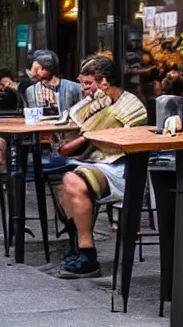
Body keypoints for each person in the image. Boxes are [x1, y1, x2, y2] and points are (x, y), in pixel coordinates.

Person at [57, 56, 148, 279]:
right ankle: (78, 243)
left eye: (88, 83)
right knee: (58, 180)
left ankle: (87, 253)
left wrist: (87, 135)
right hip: (94, 162)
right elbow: (68, 140)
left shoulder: (131, 107)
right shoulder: (88, 106)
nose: (83, 89)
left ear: (104, 82)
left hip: (121, 168)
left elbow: (129, 143)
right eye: (82, 83)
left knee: (72, 181)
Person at [0, 68, 25, 210]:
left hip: (21, 131)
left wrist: (16, 90)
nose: (4, 89)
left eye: (6, 84)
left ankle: (9, 183)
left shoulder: (23, 92)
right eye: (0, 86)